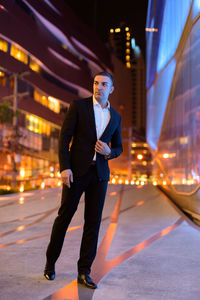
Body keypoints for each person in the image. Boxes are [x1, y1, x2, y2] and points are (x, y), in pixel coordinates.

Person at [44, 71, 123, 289]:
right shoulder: (78, 106)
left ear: (111, 89)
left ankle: (84, 272)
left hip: (99, 175)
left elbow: (119, 147)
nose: (99, 87)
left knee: (93, 224)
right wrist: (64, 167)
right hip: (76, 172)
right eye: (96, 83)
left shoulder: (115, 117)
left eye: (104, 84)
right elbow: (64, 138)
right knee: (64, 217)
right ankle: (50, 265)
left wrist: (109, 152)